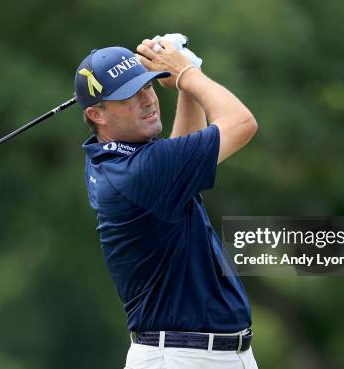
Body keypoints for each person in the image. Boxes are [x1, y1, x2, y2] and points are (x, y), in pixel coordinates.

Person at [75, 38, 259, 369]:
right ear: (96, 114)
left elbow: (180, 162)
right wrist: (186, 72)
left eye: (148, 86)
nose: (148, 100)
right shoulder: (139, 172)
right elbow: (242, 123)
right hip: (181, 357)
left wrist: (184, 88)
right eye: (129, 97)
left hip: (195, 354)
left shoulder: (110, 159)